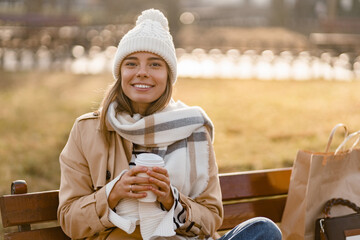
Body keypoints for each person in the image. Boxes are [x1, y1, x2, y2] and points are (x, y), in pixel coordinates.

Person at [57, 8, 282, 240]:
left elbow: (211, 219)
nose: (142, 73)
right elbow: (69, 220)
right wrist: (112, 193)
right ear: (120, 72)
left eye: (155, 65)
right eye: (131, 64)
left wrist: (172, 201)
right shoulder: (88, 130)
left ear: (168, 75)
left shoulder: (193, 129)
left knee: (264, 230)